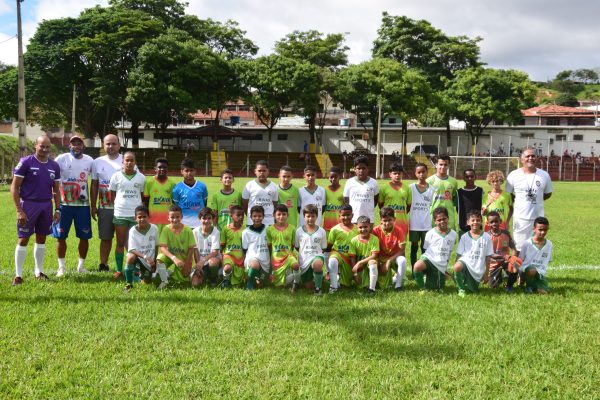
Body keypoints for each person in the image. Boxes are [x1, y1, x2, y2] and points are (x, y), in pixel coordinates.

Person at [11, 135, 61, 285]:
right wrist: (19, 210)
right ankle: (18, 275)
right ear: (35, 146)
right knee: (23, 238)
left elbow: (56, 190)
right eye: (42, 146)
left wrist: (58, 209)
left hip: (46, 205)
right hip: (28, 205)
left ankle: (38, 272)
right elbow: (14, 187)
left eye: (47, 147)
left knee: (41, 238)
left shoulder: (54, 165)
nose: (44, 149)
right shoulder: (26, 162)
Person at [54, 135, 93, 276]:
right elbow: (53, 178)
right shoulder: (61, 158)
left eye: (79, 144)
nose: (76, 146)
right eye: (74, 143)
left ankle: (81, 266)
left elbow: (96, 179)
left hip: (83, 205)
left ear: (83, 146)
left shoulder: (89, 160)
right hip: (64, 205)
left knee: (84, 237)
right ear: (69, 146)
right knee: (60, 236)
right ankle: (61, 267)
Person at [505, 147, 553, 252]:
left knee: (536, 247)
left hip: (538, 219)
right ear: (522, 159)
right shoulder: (513, 175)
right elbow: (508, 195)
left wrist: (537, 199)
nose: (530, 158)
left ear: (536, 159)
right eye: (527, 156)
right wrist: (520, 200)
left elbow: (548, 193)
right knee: (518, 248)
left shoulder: (544, 175)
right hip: (520, 218)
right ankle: (517, 263)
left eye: (533, 156)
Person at [109, 151, 145, 279]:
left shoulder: (141, 177)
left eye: (132, 160)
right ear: (122, 162)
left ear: (135, 162)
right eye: (127, 160)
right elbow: (112, 194)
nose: (129, 163)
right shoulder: (116, 176)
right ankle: (119, 270)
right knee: (120, 242)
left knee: (134, 245)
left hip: (136, 215)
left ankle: (134, 269)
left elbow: (142, 196)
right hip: (120, 213)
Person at [91, 134, 122, 272]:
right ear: (103, 145)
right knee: (105, 237)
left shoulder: (126, 160)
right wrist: (93, 206)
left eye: (114, 143)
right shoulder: (97, 162)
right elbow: (94, 184)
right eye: (108, 144)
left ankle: (125, 265)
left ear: (119, 145)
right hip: (105, 207)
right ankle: (103, 264)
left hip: (123, 207)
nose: (110, 146)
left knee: (123, 239)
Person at [413, 207, 458, 291]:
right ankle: (422, 289)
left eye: (444, 219)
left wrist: (445, 265)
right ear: (435, 221)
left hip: (441, 263)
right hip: (429, 259)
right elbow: (426, 249)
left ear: (448, 218)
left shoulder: (453, 234)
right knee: (417, 266)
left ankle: (437, 276)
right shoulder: (430, 233)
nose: (442, 221)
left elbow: (449, 251)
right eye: (439, 220)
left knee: (438, 288)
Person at [452, 210, 493, 297]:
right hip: (466, 263)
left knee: (472, 291)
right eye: (473, 220)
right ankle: (461, 289)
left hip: (477, 269)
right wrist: (455, 269)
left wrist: (486, 274)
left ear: (481, 222)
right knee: (457, 266)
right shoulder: (464, 237)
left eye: (478, 220)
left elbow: (488, 257)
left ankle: (469, 284)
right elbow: (459, 254)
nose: (475, 222)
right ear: (468, 222)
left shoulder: (487, 237)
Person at [155, 205, 196, 288]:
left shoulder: (188, 230)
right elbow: (162, 247)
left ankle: (172, 273)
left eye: (177, 217)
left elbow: (191, 249)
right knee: (159, 259)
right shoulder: (166, 229)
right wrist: (174, 258)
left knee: (182, 280)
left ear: (182, 217)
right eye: (172, 217)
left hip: (183, 259)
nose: (175, 219)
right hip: (171, 257)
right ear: (168, 218)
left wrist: (187, 264)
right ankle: (164, 281)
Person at [294, 205, 328, 295]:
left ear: (317, 216)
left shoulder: (322, 231)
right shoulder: (299, 231)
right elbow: (297, 247)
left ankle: (318, 289)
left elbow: (324, 248)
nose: (310, 219)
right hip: (304, 259)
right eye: (308, 216)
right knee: (308, 287)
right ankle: (319, 278)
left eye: (313, 216)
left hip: (317, 256)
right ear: (304, 217)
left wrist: (316, 255)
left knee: (317, 264)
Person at [124, 205, 159, 291]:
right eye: (139, 217)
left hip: (150, 261)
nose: (142, 219)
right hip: (139, 257)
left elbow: (156, 246)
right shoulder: (133, 230)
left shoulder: (154, 228)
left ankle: (138, 274)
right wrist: (145, 257)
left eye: (144, 216)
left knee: (147, 281)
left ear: (149, 217)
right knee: (130, 257)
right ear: (135, 218)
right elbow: (132, 249)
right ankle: (128, 283)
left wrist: (155, 262)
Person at [372, 207, 408, 291]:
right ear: (380, 220)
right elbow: (373, 250)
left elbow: (402, 250)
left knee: (402, 260)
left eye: (389, 220)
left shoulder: (399, 230)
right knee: (383, 286)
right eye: (384, 220)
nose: (387, 223)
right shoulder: (375, 231)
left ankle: (398, 286)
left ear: (394, 219)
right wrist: (379, 263)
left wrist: (389, 261)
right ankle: (394, 278)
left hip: (394, 258)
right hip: (381, 259)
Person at [408, 163, 435, 272]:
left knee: (425, 247)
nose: (421, 174)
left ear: (427, 172)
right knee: (414, 246)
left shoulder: (432, 189)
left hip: (426, 223)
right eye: (419, 172)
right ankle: (414, 269)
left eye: (423, 172)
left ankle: (424, 269)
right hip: (414, 223)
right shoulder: (411, 187)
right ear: (415, 174)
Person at [266, 204, 300, 290]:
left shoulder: (292, 228)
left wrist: (289, 253)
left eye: (284, 214)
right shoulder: (269, 229)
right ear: (274, 215)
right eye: (279, 214)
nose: (281, 217)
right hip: (276, 258)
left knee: (296, 265)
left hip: (288, 256)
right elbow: (269, 246)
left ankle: (296, 284)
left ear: (287, 215)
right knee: (279, 286)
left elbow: (292, 245)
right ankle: (289, 277)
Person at [486, 211, 520, 293]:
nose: (494, 223)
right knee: (493, 287)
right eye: (492, 222)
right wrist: (504, 257)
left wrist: (513, 258)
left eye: (496, 221)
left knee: (515, 266)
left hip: (506, 261)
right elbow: (489, 254)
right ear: (488, 223)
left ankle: (509, 285)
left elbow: (514, 249)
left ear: (500, 221)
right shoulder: (486, 236)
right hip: (493, 264)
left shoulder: (506, 234)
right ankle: (500, 278)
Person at [327, 204, 358, 291]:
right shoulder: (335, 229)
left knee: (346, 286)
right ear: (339, 216)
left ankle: (338, 278)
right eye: (343, 215)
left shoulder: (357, 229)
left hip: (350, 258)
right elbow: (329, 245)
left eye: (348, 215)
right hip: (338, 253)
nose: (346, 217)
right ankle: (333, 286)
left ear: (352, 215)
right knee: (333, 261)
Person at [518, 217, 553, 294]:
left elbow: (548, 260)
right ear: (534, 229)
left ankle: (535, 284)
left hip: (540, 272)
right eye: (540, 230)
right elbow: (520, 260)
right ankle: (528, 286)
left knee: (543, 292)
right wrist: (521, 272)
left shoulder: (549, 244)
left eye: (545, 230)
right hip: (527, 270)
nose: (543, 232)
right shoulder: (527, 243)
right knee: (532, 270)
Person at [172, 158, 208, 229]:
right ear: (182, 171)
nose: (189, 173)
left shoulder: (202, 186)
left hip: (199, 224)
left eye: (191, 170)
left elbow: (204, 203)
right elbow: (175, 206)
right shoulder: (177, 188)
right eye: (186, 170)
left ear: (195, 171)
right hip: (183, 224)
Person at [378, 162, 411, 238]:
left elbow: (409, 206)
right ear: (390, 174)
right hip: (387, 222)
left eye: (399, 173)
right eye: (395, 173)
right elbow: (380, 205)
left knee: (401, 244)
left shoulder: (407, 188)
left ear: (402, 174)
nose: (397, 175)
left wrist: (400, 212)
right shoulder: (384, 188)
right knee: (386, 243)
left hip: (401, 222)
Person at [143, 157, 176, 235]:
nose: (162, 169)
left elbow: (174, 202)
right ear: (155, 169)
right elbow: (146, 201)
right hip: (153, 219)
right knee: (153, 241)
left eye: (165, 167)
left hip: (168, 219)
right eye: (160, 167)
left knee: (166, 241)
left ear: (167, 169)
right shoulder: (149, 182)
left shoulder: (172, 183)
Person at [349, 216, 380, 295]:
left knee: (372, 262)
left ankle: (372, 289)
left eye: (365, 227)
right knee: (361, 286)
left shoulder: (375, 239)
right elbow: (352, 258)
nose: (363, 229)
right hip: (360, 268)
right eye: (360, 227)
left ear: (370, 227)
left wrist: (360, 262)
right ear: (357, 227)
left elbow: (374, 256)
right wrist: (355, 274)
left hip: (368, 265)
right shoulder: (353, 241)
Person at [426, 154, 459, 231]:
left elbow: (454, 198)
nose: (443, 167)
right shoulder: (429, 181)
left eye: (445, 165)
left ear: (448, 166)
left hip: (449, 216)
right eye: (440, 164)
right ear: (436, 165)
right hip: (433, 215)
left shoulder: (453, 181)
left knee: (450, 236)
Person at [344, 155, 379, 224]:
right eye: (359, 168)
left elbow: (375, 200)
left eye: (364, 168)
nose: (361, 171)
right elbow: (346, 200)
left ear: (368, 169)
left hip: (369, 220)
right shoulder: (349, 182)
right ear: (354, 169)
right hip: (353, 220)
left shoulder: (374, 182)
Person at [242, 205, 270, 290]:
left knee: (260, 284)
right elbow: (244, 249)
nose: (257, 218)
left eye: (259, 216)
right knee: (254, 265)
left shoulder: (268, 229)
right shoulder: (246, 232)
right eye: (254, 216)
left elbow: (271, 246)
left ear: (263, 216)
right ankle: (249, 284)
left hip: (266, 260)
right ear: (250, 217)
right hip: (253, 258)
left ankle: (254, 278)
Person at [242, 160, 278, 226]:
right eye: (259, 171)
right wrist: (251, 215)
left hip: (269, 221)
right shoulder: (249, 185)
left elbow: (275, 203)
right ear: (255, 171)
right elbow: (244, 203)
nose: (262, 173)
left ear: (268, 171)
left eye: (264, 171)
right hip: (252, 221)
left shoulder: (274, 186)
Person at [192, 207, 221, 287]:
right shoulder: (195, 231)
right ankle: (205, 275)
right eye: (204, 218)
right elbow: (195, 250)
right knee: (195, 284)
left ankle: (213, 278)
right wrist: (198, 266)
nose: (207, 221)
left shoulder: (216, 232)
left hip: (212, 259)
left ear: (213, 219)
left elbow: (215, 252)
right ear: (200, 219)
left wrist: (203, 261)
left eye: (209, 218)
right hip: (201, 262)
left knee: (212, 262)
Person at [220, 205, 245, 288]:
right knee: (227, 268)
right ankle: (225, 280)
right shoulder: (225, 229)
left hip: (240, 257)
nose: (241, 217)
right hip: (228, 255)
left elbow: (246, 246)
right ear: (231, 216)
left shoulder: (245, 230)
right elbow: (222, 245)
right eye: (238, 215)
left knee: (239, 283)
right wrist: (222, 255)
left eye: (242, 215)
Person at [456, 168, 484, 236]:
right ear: (463, 178)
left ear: (475, 177)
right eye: (467, 177)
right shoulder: (459, 192)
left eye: (472, 176)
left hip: (477, 224)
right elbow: (457, 208)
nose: (469, 178)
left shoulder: (480, 191)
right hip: (463, 225)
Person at [322, 166, 344, 235]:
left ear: (339, 177)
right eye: (331, 177)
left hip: (339, 223)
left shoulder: (344, 190)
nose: (333, 179)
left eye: (335, 177)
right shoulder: (324, 190)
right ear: (328, 177)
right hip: (328, 224)